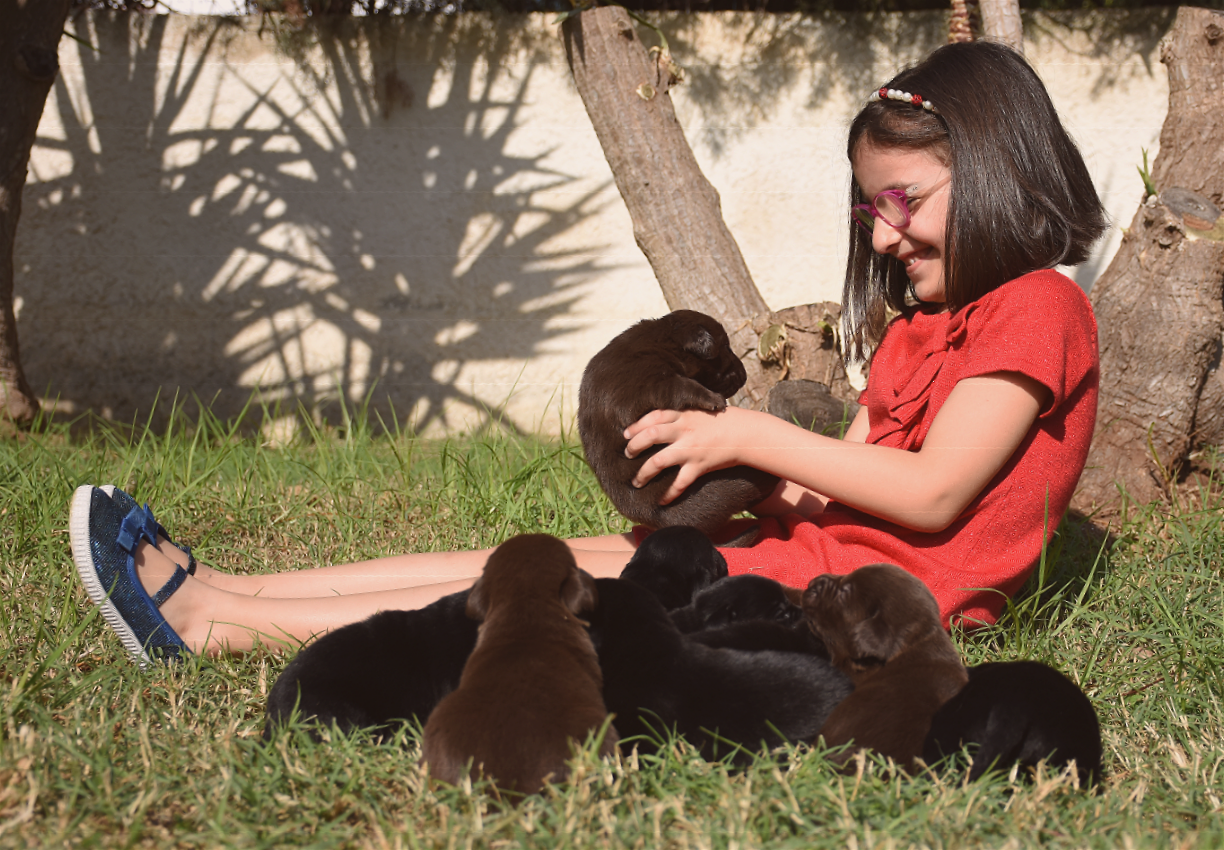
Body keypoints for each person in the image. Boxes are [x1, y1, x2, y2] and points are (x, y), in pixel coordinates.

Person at [69, 40, 1105, 665]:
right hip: (814, 563)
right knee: (533, 560)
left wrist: (755, 432)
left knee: (541, 599)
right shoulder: (923, 329)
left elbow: (928, 497)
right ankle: (241, 587)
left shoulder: (1038, 307)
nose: (881, 238)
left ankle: (218, 625)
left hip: (861, 616)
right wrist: (735, 469)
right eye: (868, 212)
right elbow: (853, 494)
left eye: (902, 204)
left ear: (1002, 171)